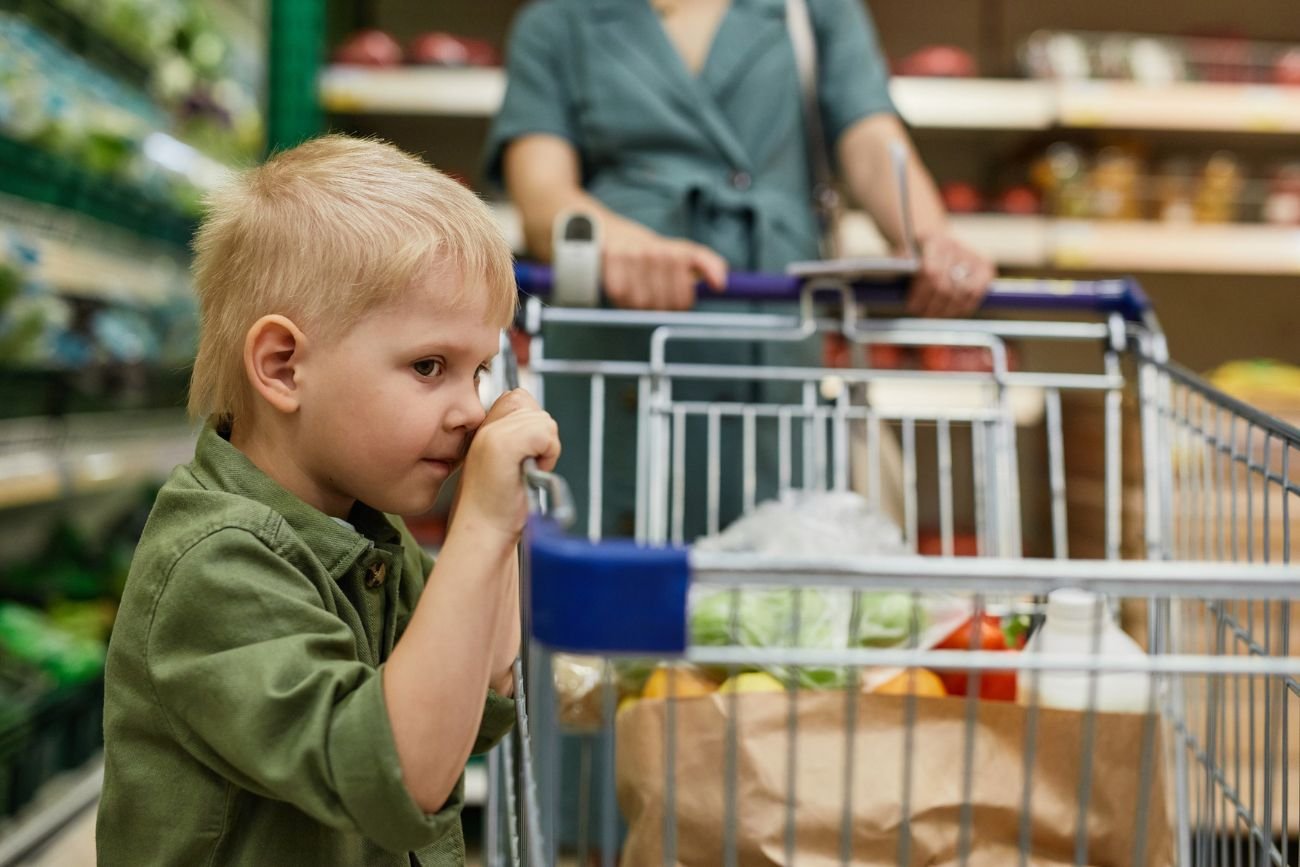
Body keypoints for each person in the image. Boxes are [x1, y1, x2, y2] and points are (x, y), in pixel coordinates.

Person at [96, 136, 561, 866]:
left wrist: (496, 529)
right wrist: (479, 525)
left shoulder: (363, 529)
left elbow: (476, 698)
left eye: (476, 373)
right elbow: (400, 773)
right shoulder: (217, 563)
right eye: (429, 365)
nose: (471, 410)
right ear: (283, 366)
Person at [486, 0, 993, 540]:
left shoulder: (811, 11)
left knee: (773, 566)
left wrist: (930, 238)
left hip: (767, 337)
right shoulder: (561, 20)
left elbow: (870, 141)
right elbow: (541, 196)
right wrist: (615, 241)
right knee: (614, 564)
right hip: (619, 349)